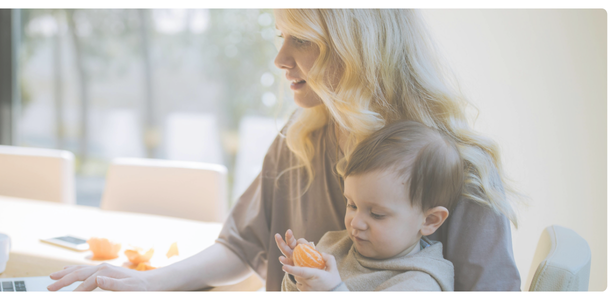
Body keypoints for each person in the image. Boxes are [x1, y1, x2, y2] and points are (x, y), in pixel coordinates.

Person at [47, 9, 521, 292]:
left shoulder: (460, 168)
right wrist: (147, 283)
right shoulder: (301, 136)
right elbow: (242, 244)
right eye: (280, 36)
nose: (280, 59)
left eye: (303, 40)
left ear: (359, 48)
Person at [277, 120, 462, 291]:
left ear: (429, 220)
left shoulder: (420, 284)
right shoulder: (333, 245)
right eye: (352, 205)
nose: (356, 222)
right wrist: (299, 275)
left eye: (376, 214)